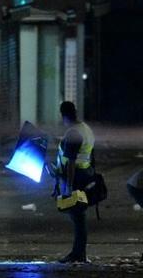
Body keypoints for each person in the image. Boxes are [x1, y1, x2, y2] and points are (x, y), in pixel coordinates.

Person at [56, 101, 95, 264]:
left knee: (77, 216)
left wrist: (70, 187)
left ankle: (78, 253)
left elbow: (71, 161)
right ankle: (79, 252)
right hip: (85, 173)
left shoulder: (73, 133)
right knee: (79, 215)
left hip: (75, 177)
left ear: (63, 115)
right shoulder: (85, 129)